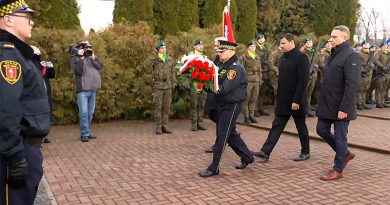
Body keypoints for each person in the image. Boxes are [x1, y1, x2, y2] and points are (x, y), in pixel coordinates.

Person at [0, 1, 51, 204]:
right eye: (27, 17)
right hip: (17, 150)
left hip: (24, 148)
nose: (32, 23)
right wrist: (15, 156)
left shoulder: (19, 53)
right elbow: (6, 108)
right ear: (8, 19)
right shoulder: (8, 55)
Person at [251, 33, 310, 162]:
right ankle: (265, 152)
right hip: (283, 100)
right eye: (280, 43)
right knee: (277, 125)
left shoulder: (301, 57)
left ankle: (305, 152)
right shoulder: (283, 58)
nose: (281, 46)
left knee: (300, 126)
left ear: (291, 42)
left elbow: (303, 81)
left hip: (296, 100)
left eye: (283, 43)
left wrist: (297, 100)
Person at [199, 40, 254, 177]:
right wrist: (201, 81)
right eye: (218, 51)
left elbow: (223, 89)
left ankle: (214, 167)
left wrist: (208, 85)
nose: (219, 54)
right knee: (230, 133)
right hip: (221, 103)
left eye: (221, 52)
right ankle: (247, 156)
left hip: (231, 104)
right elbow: (212, 81)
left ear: (231, 52)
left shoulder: (235, 68)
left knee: (222, 134)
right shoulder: (220, 64)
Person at [316, 25, 361, 181]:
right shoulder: (333, 54)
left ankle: (338, 169)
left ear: (345, 38)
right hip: (328, 103)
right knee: (321, 129)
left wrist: (344, 108)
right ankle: (345, 154)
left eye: (335, 36)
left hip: (341, 106)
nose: (331, 39)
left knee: (341, 137)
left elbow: (352, 85)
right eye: (331, 36)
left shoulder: (351, 56)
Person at [70, 40, 103, 142]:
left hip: (92, 89)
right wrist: (81, 58)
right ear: (80, 48)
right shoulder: (74, 58)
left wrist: (94, 58)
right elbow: (78, 72)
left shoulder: (90, 56)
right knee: (84, 112)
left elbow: (100, 66)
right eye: (86, 47)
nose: (88, 49)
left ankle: (87, 131)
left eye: (89, 47)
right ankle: (84, 133)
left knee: (90, 113)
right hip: (82, 90)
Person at [145, 40, 176, 135]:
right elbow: (146, 64)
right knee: (158, 107)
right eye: (162, 48)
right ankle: (158, 126)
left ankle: (165, 126)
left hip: (168, 86)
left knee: (166, 107)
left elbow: (173, 73)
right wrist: (154, 55)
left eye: (165, 47)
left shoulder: (169, 59)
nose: (164, 49)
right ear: (158, 49)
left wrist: (174, 84)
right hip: (158, 86)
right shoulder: (155, 59)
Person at [204, 36, 226, 153]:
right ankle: (227, 138)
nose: (214, 46)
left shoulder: (226, 58)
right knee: (213, 115)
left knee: (220, 119)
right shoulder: (217, 57)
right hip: (214, 92)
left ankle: (220, 143)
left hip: (223, 93)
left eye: (216, 45)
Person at [31, 45, 55, 143]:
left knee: (47, 113)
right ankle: (37, 136)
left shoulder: (43, 65)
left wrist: (50, 67)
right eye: (37, 54)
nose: (39, 56)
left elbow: (52, 75)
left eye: (39, 54)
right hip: (36, 95)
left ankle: (43, 135)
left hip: (46, 93)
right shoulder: (30, 65)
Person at [240, 40, 262, 123]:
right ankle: (246, 116)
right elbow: (241, 69)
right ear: (248, 47)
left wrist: (260, 80)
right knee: (246, 98)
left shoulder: (257, 57)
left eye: (254, 46)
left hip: (256, 80)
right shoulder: (244, 57)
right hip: (248, 80)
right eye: (251, 46)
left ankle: (251, 115)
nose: (253, 48)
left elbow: (260, 70)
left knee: (254, 98)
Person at [189, 39, 207, 131]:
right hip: (195, 83)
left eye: (202, 45)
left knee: (201, 104)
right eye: (199, 45)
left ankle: (200, 122)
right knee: (194, 104)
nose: (201, 46)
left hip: (203, 83)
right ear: (194, 47)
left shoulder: (205, 57)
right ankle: (194, 123)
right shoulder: (191, 57)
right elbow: (187, 70)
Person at [255, 33, 271, 116]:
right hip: (257, 73)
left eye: (262, 38)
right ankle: (255, 109)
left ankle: (261, 108)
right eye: (259, 38)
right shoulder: (254, 48)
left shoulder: (267, 49)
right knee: (256, 93)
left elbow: (270, 59)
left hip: (265, 73)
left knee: (262, 92)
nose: (261, 39)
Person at [300, 38, 317, 117]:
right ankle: (302, 110)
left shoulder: (313, 52)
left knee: (309, 93)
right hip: (304, 74)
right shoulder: (302, 51)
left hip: (312, 74)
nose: (310, 43)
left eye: (311, 42)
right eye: (308, 42)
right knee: (303, 93)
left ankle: (307, 109)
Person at [373, 42, 390, 108]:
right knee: (379, 88)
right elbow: (375, 61)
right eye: (385, 46)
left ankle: (382, 101)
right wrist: (382, 67)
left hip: (387, 74)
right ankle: (378, 102)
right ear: (382, 47)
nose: (386, 47)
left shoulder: (388, 54)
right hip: (380, 73)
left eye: (387, 46)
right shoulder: (379, 53)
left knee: (384, 89)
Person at [356, 40, 372, 110]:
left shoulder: (369, 54)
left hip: (368, 74)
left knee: (365, 89)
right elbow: (357, 64)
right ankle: (359, 103)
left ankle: (363, 102)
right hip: (361, 74)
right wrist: (362, 69)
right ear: (362, 46)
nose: (367, 46)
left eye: (368, 45)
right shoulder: (359, 54)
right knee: (360, 89)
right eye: (365, 45)